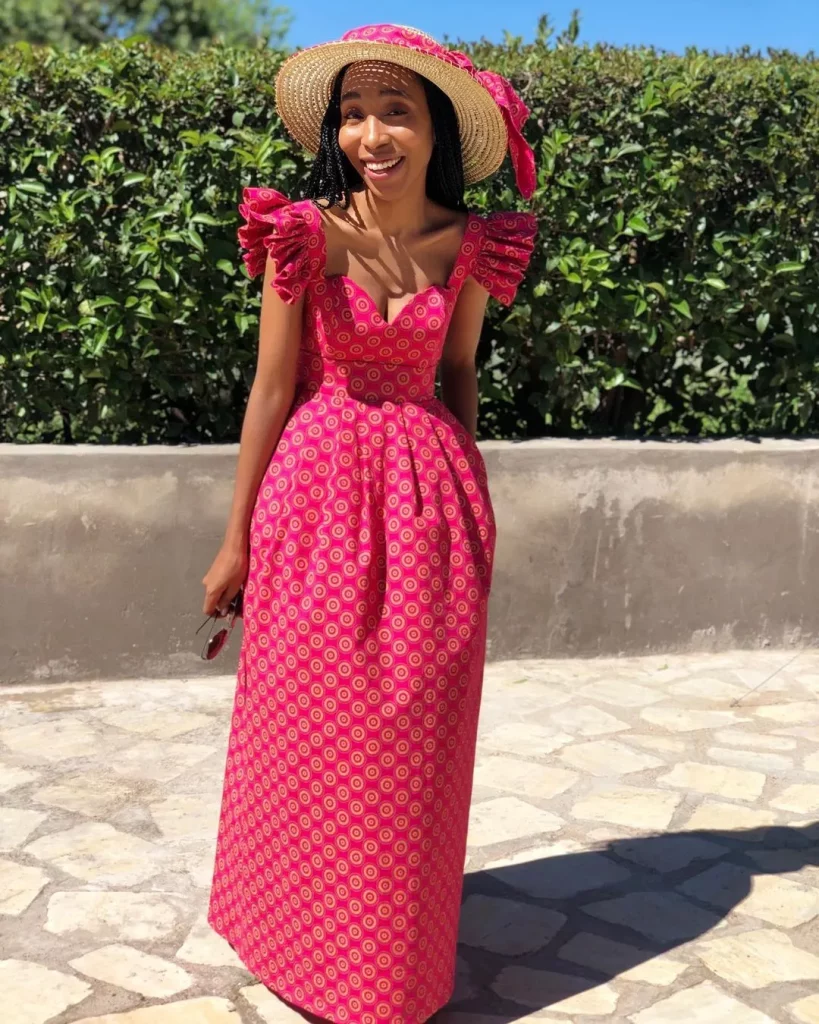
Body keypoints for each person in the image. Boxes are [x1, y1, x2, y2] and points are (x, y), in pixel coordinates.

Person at [203, 23, 538, 1024]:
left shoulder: (472, 245)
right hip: (314, 500)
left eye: (395, 112)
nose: (370, 135)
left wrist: (471, 500)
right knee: (307, 726)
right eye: (353, 114)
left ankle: (386, 965)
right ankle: (291, 935)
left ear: (436, 130)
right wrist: (235, 540)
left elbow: (459, 371)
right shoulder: (301, 234)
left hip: (431, 508)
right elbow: (270, 391)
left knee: (411, 738)